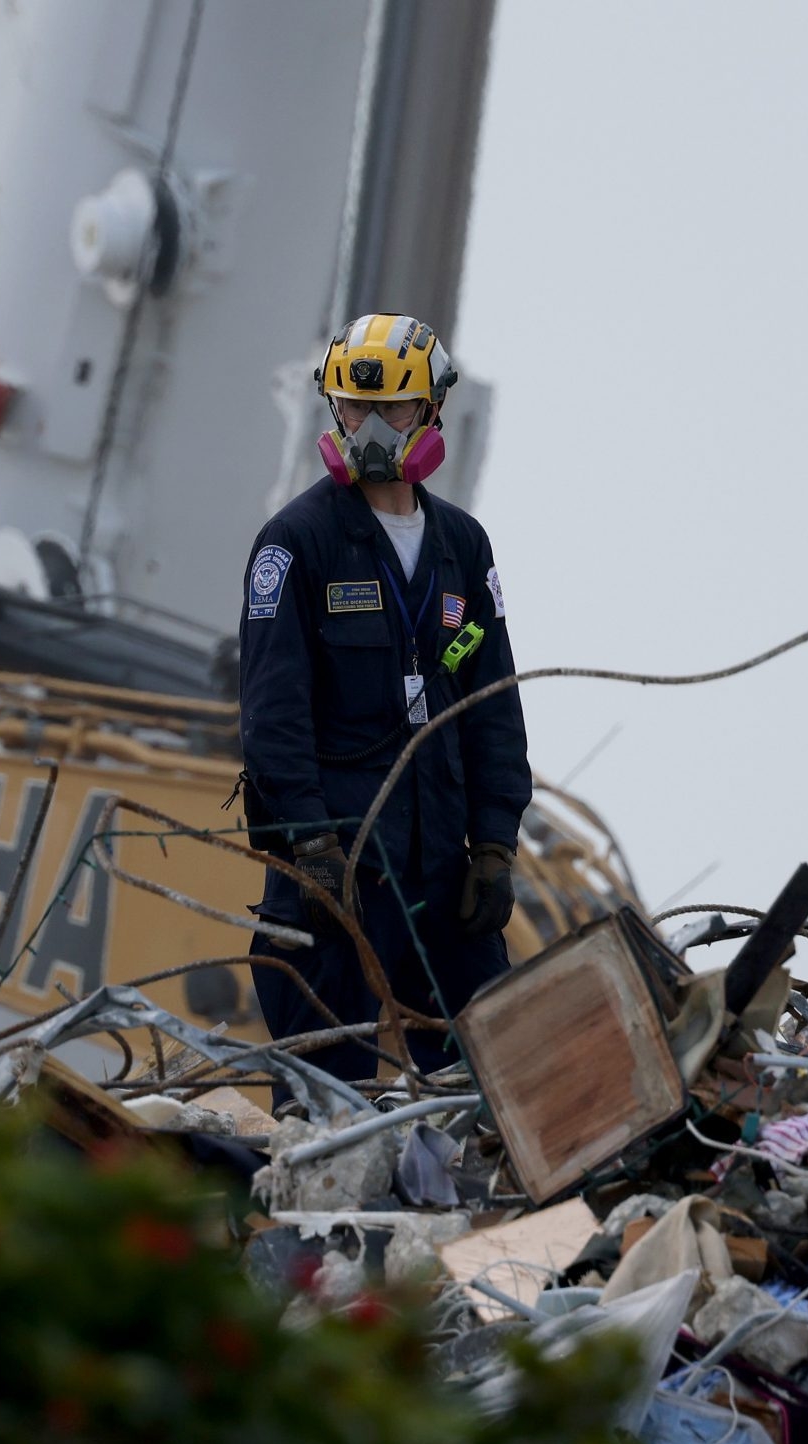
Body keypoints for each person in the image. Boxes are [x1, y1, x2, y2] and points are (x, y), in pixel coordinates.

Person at [236, 312, 530, 1081]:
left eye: (392, 409)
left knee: (485, 1082)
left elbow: (492, 702)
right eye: (352, 407)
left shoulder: (463, 549)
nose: (369, 427)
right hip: (340, 875)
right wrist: (311, 846)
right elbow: (273, 717)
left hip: (444, 876)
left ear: (432, 409)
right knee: (325, 1090)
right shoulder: (295, 544)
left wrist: (495, 845)